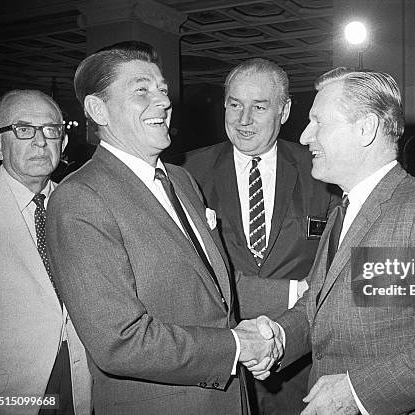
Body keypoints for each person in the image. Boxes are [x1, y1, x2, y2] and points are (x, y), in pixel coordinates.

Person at [45, 41, 279, 415]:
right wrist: (236, 347)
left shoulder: (181, 179)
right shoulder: (80, 199)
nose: (163, 101)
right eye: (141, 90)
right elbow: (119, 342)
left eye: (162, 90)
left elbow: (212, 295)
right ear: (97, 109)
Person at [247, 68, 415, 414]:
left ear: (365, 129)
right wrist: (279, 338)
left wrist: (358, 392)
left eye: (319, 122)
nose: (305, 137)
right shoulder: (342, 212)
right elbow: (318, 303)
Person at [182, 58, 339, 414]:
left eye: (259, 106)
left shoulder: (323, 171)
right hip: (221, 370)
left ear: (284, 111)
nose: (243, 119)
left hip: (301, 366)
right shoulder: (186, 173)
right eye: (235, 105)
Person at [0, 89, 91, 414]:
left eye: (51, 131)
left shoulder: (80, 205)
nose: (39, 141)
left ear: (62, 144)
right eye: (23, 129)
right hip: (10, 394)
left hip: (80, 384)